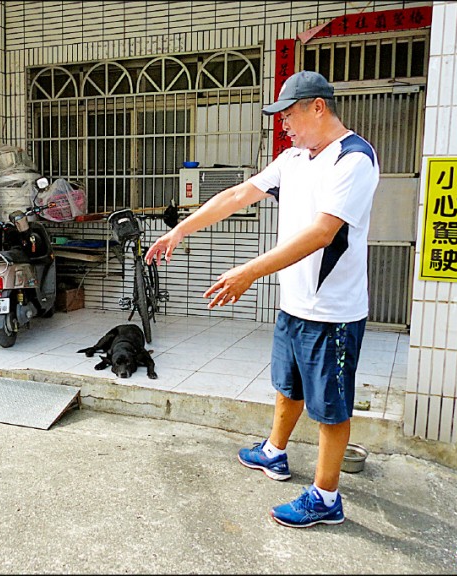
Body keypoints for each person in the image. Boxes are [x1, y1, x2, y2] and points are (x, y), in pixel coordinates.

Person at [145, 70, 379, 528]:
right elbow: (237, 194)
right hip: (294, 304)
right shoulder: (293, 159)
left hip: (333, 311)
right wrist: (180, 229)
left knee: (330, 408)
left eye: (289, 114)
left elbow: (322, 232)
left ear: (317, 106)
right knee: (286, 386)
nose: (284, 125)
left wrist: (248, 272)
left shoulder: (354, 158)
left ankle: (327, 497)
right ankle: (274, 453)